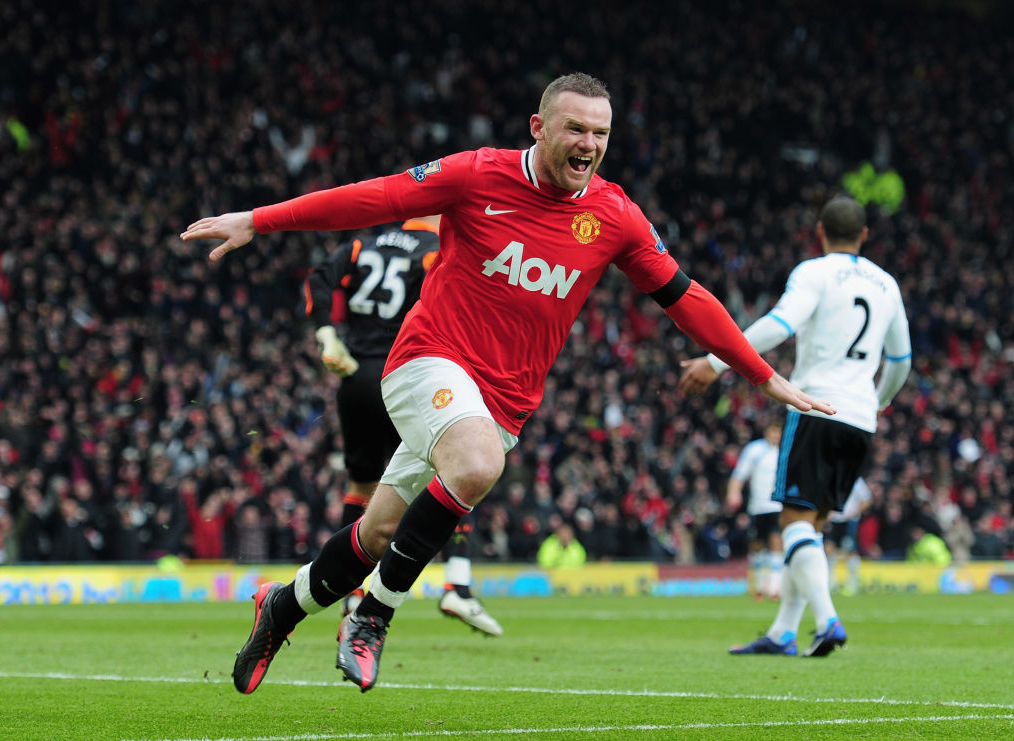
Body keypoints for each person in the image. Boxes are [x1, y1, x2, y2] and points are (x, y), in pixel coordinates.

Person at [182, 72, 834, 692]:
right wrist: (260, 219)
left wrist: (761, 372)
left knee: (378, 533)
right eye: (575, 128)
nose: (589, 145)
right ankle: (374, 613)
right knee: (475, 463)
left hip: (504, 400)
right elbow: (375, 196)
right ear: (538, 127)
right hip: (424, 361)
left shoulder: (615, 216)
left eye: (600, 134)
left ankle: (282, 607)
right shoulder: (477, 173)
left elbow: (686, 297)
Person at [680, 194, 911, 658]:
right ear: (864, 236)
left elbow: (780, 325)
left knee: (794, 522)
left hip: (815, 407)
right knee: (813, 527)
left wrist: (714, 360)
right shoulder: (887, 284)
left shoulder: (814, 272)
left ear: (820, 232)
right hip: (861, 417)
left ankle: (827, 621)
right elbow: (901, 360)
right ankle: (785, 631)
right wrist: (878, 402)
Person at [305, 215, 502, 635]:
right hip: (408, 375)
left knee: (360, 487)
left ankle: (350, 592)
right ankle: (458, 586)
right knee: (459, 470)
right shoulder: (436, 251)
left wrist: (326, 333)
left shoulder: (363, 246)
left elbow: (320, 276)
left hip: (354, 377)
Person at [726, 421, 784, 600]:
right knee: (757, 545)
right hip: (758, 506)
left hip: (778, 504)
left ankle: (775, 587)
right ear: (766, 431)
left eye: (778, 432)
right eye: (772, 431)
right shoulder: (754, 450)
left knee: (776, 541)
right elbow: (739, 474)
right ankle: (759, 586)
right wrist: (733, 493)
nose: (775, 436)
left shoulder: (787, 450)